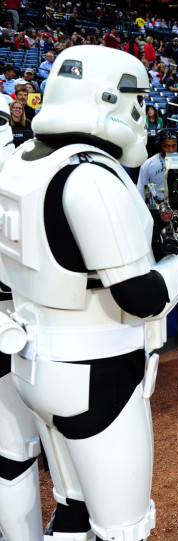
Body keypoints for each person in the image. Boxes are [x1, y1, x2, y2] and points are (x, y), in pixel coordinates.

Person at [0, 44, 178, 541]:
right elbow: (143, 296)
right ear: (111, 98)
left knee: (72, 508)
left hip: (36, 366)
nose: (143, 114)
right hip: (97, 369)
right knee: (122, 528)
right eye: (138, 101)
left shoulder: (19, 160)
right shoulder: (90, 173)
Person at [0, 97, 45, 541]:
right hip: (15, 325)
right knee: (14, 453)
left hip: (20, 323)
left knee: (16, 453)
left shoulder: (23, 175)